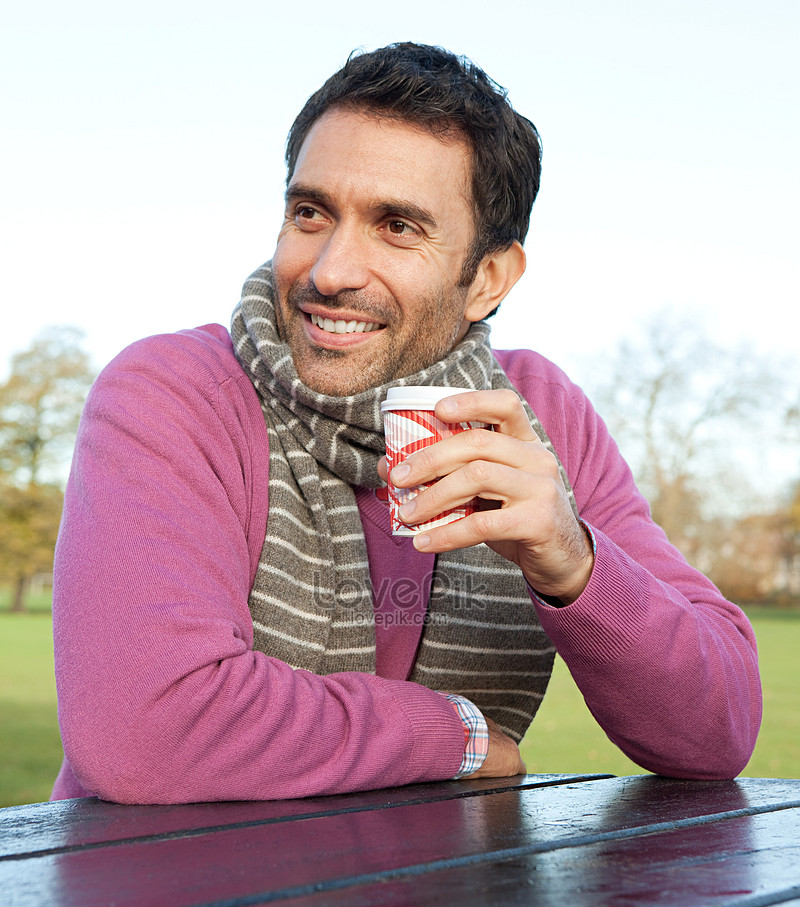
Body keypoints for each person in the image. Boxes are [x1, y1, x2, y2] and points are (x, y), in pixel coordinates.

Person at [51, 43, 761, 804]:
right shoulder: (175, 393)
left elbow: (716, 730)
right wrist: (457, 735)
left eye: (396, 226)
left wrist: (572, 560)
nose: (330, 270)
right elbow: (150, 735)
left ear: (487, 278)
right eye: (311, 211)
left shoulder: (538, 415)